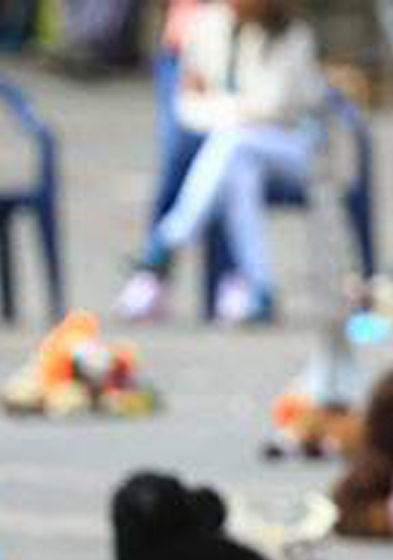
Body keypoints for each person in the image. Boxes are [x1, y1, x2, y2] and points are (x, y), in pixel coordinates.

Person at [113, 0, 323, 326]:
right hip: (235, 147)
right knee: (238, 170)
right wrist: (235, 112)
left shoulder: (293, 36)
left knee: (233, 142)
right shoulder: (208, 26)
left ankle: (166, 243)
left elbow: (274, 106)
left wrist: (222, 107)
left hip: (292, 148)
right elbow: (187, 104)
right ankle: (260, 289)